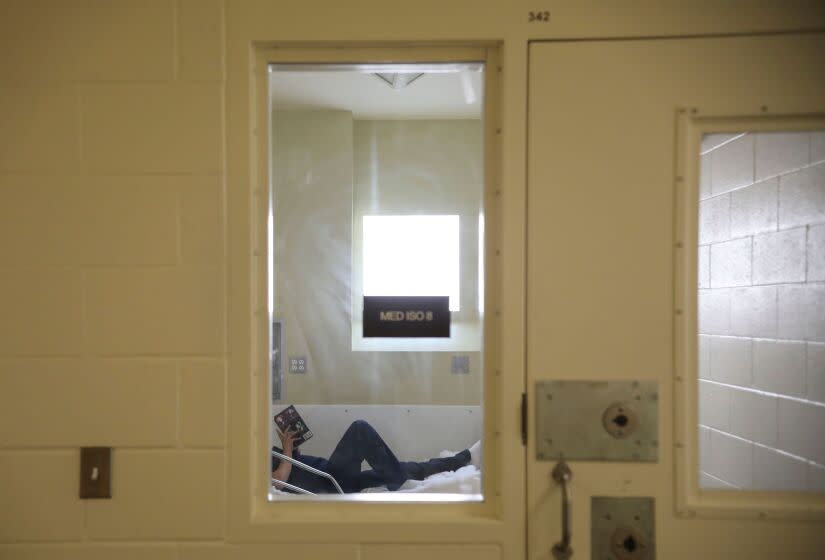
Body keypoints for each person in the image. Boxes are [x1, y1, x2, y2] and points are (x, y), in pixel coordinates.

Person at [272, 419, 481, 494]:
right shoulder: (249, 467)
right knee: (359, 429)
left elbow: (290, 468)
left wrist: (291, 447)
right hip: (330, 484)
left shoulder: (262, 454)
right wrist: (287, 450)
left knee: (406, 468)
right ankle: (399, 481)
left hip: (330, 475)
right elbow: (278, 481)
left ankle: (462, 458)